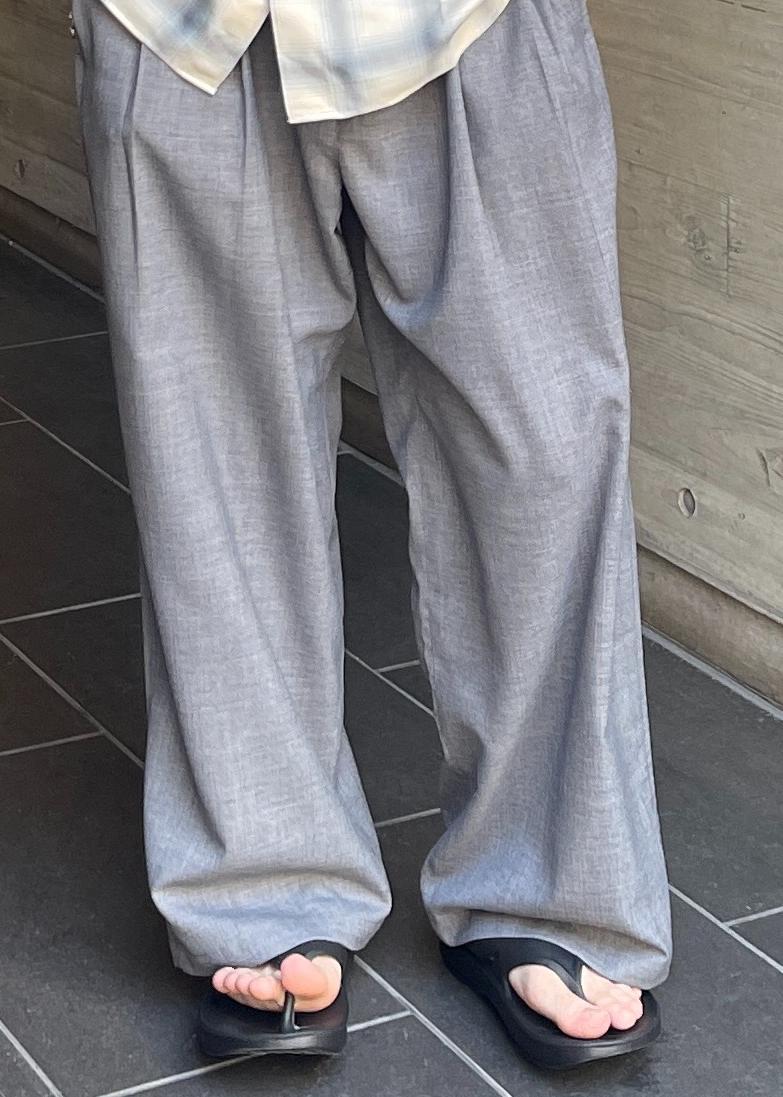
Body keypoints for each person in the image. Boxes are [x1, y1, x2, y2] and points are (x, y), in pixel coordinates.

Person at [69, 0, 673, 1070]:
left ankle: (552, 879)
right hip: (181, 24)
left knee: (540, 450)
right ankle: (261, 879)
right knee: (215, 457)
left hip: (476, 20)